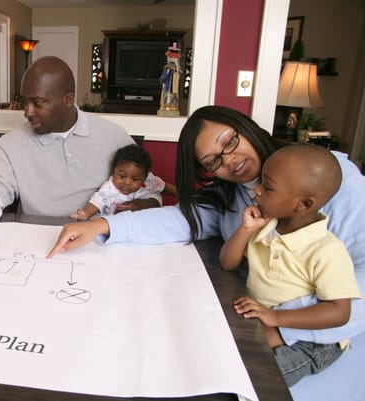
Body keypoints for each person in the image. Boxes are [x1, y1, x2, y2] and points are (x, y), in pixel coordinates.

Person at [48, 105, 365, 394]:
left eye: (229, 141)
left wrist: (281, 326)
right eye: (212, 161)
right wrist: (103, 225)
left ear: (246, 127)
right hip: (253, 310)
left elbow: (352, 286)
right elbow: (179, 219)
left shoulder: (330, 179)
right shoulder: (230, 197)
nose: (228, 159)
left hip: (312, 330)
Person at [0, 56, 136, 243]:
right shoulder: (9, 145)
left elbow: (148, 188)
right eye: (24, 102)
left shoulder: (113, 135)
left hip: (102, 242)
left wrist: (140, 207)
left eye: (37, 103)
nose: (27, 112)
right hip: (36, 243)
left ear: (68, 100)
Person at [219, 144, 360, 387]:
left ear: (304, 204)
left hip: (312, 343)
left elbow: (339, 312)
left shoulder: (326, 250)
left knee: (253, 379)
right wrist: (245, 230)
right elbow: (227, 263)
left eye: (268, 187)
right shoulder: (266, 226)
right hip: (263, 321)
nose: (257, 191)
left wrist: (275, 317)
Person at [69, 144, 172, 220]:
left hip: (142, 222)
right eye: (122, 176)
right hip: (114, 224)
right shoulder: (110, 187)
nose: (127, 182)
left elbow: (165, 188)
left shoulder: (150, 181)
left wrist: (185, 196)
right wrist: (86, 213)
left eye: (135, 179)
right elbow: (97, 201)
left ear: (145, 177)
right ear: (113, 171)